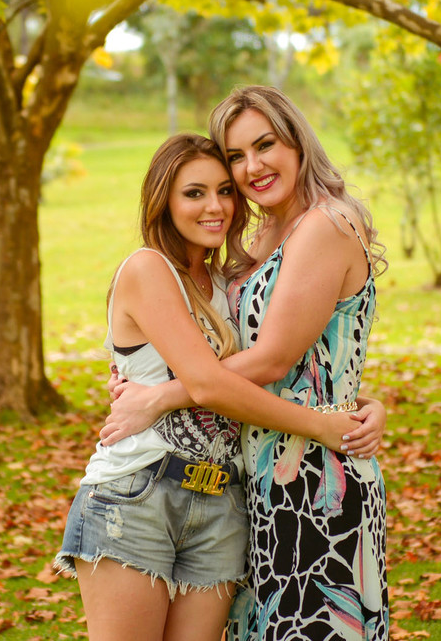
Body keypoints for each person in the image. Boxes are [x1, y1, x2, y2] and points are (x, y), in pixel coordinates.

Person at [53, 134, 384, 641]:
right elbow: (208, 384)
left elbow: (270, 367)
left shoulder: (228, 286)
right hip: (139, 494)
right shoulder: (147, 269)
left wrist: (361, 404)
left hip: (222, 504)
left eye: (225, 191)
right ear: (163, 200)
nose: (216, 207)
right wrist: (321, 426)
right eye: (194, 193)